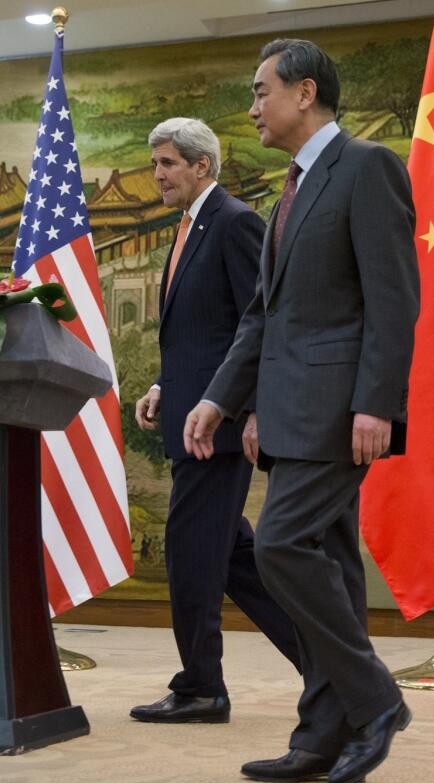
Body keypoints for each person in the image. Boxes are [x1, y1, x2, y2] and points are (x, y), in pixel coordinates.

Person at [182, 40, 420, 783]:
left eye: (260, 92)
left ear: (304, 93)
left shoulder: (368, 167)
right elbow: (263, 318)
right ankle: (323, 734)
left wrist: (378, 403)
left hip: (336, 411)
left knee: (280, 546)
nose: (251, 108)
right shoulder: (284, 191)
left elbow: (394, 299)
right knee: (336, 573)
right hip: (287, 413)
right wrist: (224, 399)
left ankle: (376, 700)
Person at [129, 117, 301, 725]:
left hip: (217, 430)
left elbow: (259, 324)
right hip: (190, 415)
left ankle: (201, 687)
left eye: (169, 164)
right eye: (155, 165)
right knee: (235, 562)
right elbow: (204, 333)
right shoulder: (190, 226)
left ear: (203, 165)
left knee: (190, 556)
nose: (158, 176)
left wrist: (248, 408)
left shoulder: (233, 223)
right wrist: (163, 386)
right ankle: (333, 668)